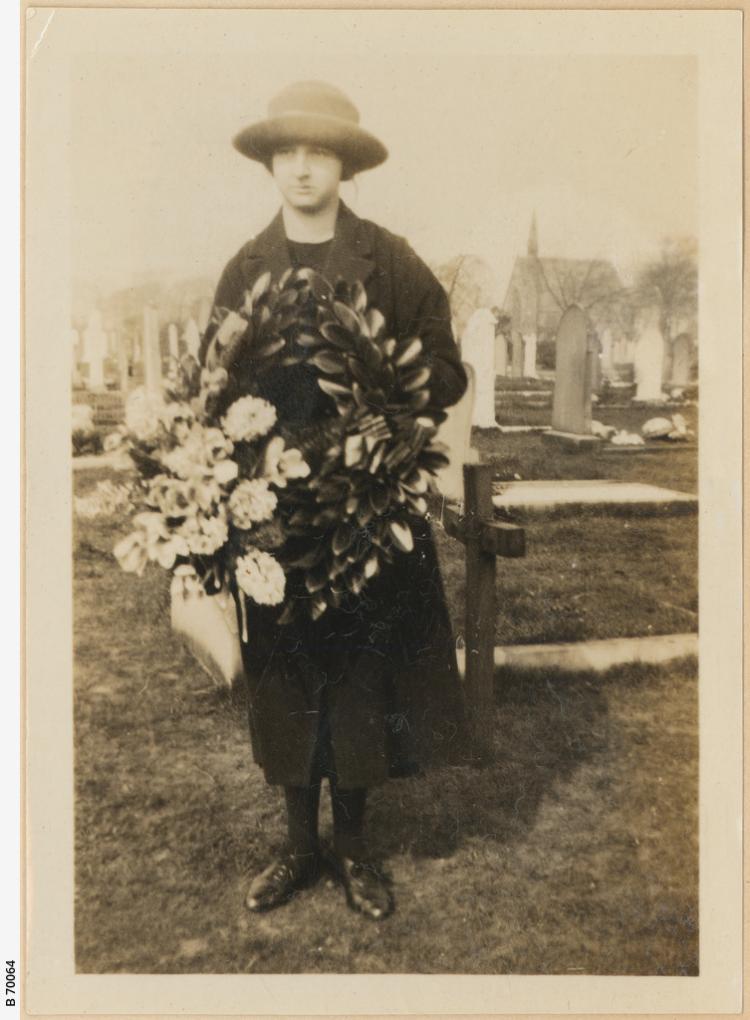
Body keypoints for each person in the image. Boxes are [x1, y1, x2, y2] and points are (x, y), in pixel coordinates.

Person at [201, 80, 468, 920]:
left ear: (345, 164)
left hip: (365, 513)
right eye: (289, 152)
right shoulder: (247, 268)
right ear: (271, 164)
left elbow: (445, 365)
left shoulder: (386, 259)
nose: (303, 167)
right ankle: (296, 847)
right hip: (271, 517)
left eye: (320, 151)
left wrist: (389, 424)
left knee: (358, 673)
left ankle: (353, 848)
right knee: (285, 675)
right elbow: (214, 387)